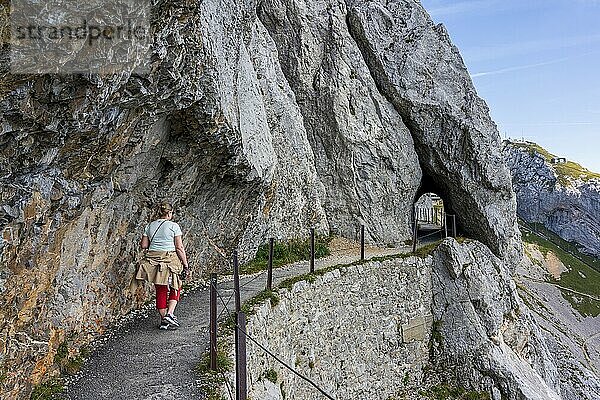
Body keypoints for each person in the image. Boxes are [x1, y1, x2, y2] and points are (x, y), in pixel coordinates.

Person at [136, 202, 190, 330]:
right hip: (170, 261)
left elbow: (143, 245)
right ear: (169, 213)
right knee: (176, 287)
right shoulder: (173, 226)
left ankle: (164, 320)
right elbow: (179, 247)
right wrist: (186, 265)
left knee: (161, 289)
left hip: (154, 261)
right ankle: (170, 314)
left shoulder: (150, 226)